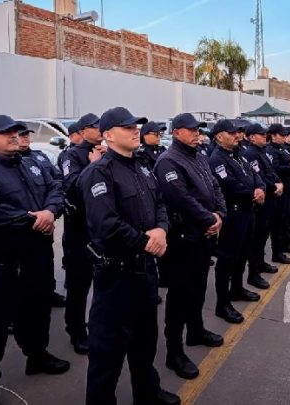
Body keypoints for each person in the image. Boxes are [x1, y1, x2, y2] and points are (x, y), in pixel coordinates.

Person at [0, 115, 69, 405]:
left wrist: (50, 211)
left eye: (14, 133)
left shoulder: (31, 163)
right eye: (4, 133)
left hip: (35, 256)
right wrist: (31, 220)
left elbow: (55, 186)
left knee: (36, 311)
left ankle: (37, 355)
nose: (13, 137)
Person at [81, 107, 179, 405]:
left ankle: (147, 394)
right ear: (108, 135)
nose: (135, 130)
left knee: (144, 343)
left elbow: (160, 202)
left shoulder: (142, 167)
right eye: (126, 127)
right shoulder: (98, 172)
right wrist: (145, 242)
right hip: (116, 277)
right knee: (107, 354)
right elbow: (106, 225)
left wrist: (161, 230)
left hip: (144, 273)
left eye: (136, 126)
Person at [153, 113, 226, 380]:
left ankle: (196, 331)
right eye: (191, 130)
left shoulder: (199, 156)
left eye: (198, 130)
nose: (197, 134)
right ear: (176, 133)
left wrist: (219, 215)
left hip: (204, 235)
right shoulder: (168, 161)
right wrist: (209, 218)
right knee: (180, 295)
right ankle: (174, 351)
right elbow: (179, 198)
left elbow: (215, 187)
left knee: (198, 288)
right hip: (184, 238)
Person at [208, 119, 265, 324]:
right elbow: (229, 185)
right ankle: (222, 304)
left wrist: (260, 188)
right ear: (219, 136)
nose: (237, 136)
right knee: (227, 259)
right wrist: (253, 193)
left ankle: (237, 288)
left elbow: (255, 174)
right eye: (232, 133)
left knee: (242, 254)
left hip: (247, 212)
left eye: (238, 132)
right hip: (232, 214)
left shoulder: (239, 155)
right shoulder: (217, 159)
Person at [60, 113, 104, 354]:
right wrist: (94, 165)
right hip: (80, 232)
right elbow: (73, 187)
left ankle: (98, 326)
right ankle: (76, 331)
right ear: (84, 130)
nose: (99, 131)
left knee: (103, 285)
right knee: (78, 286)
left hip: (101, 231)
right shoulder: (73, 155)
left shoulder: (105, 152)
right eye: (95, 127)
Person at [16, 122, 66, 309]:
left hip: (46, 218)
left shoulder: (39, 157)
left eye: (27, 135)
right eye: (21, 135)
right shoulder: (12, 162)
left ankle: (48, 292)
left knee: (45, 260)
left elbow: (57, 180)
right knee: (21, 269)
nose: (25, 138)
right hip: (25, 223)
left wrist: (51, 211)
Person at [243, 122, 285, 274]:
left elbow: (270, 171)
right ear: (252, 137)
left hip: (270, 198)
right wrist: (275, 186)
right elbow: (258, 177)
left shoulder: (261, 151)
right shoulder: (250, 154)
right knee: (257, 238)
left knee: (263, 235)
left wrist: (278, 182)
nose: (265, 137)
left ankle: (260, 263)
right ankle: (254, 271)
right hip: (262, 202)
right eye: (261, 135)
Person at [265, 124, 290, 262]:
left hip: (287, 186)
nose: (284, 137)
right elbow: (275, 169)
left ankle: (285, 245)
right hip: (279, 190)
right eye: (282, 135)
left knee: (286, 218)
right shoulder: (271, 150)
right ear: (273, 136)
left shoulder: (282, 148)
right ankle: (277, 252)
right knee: (278, 222)